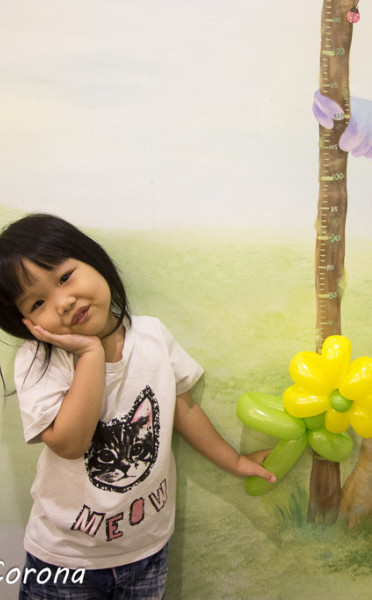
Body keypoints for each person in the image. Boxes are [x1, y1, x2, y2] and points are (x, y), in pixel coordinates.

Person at [0, 213, 275, 599]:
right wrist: (90, 354)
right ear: (26, 321)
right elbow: (71, 444)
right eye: (38, 302)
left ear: (93, 260)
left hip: (146, 550)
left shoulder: (152, 336)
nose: (63, 302)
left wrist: (236, 461)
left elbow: (184, 409)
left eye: (65, 277)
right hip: (66, 559)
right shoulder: (39, 361)